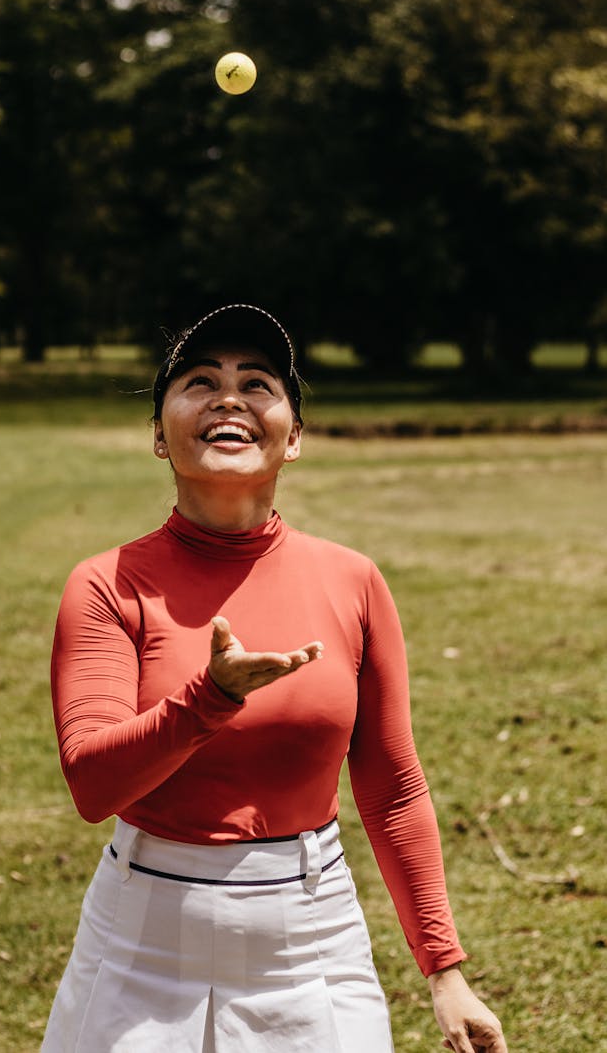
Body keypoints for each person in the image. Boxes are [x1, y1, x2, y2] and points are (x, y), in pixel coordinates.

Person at [42, 304, 508, 1053]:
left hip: (312, 941)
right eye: (200, 382)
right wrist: (210, 699)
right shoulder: (105, 585)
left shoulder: (353, 581)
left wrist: (445, 970)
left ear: (293, 437)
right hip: (142, 944)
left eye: (257, 383)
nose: (229, 398)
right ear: (159, 434)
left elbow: (392, 784)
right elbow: (93, 785)